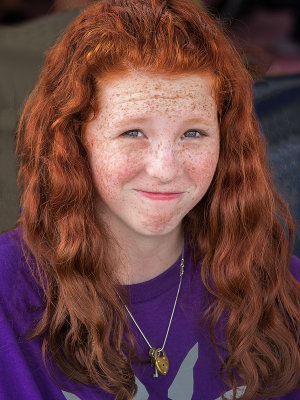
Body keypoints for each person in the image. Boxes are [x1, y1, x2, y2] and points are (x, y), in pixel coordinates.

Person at [0, 0, 299, 399]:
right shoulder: (7, 293)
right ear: (76, 141)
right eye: (133, 133)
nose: (165, 168)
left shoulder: (281, 285)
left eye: (193, 133)